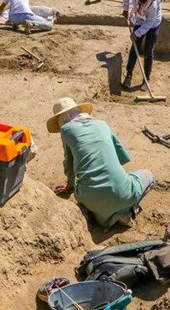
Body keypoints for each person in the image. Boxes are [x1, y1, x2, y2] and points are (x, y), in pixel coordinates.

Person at [48, 97, 155, 228]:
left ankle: (99, 213)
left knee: (96, 206)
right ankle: (127, 211)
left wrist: (70, 185)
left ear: (60, 120)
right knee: (149, 175)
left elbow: (69, 164)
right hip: (122, 192)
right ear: (79, 110)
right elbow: (124, 157)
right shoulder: (102, 124)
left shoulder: (66, 130)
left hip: (88, 197)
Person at [122, 0, 162, 90]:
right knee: (134, 49)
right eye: (139, 2)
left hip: (153, 25)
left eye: (143, 3)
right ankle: (129, 75)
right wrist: (125, 9)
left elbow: (149, 23)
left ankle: (146, 79)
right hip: (139, 20)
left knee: (148, 52)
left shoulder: (153, 3)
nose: (141, 4)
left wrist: (137, 33)